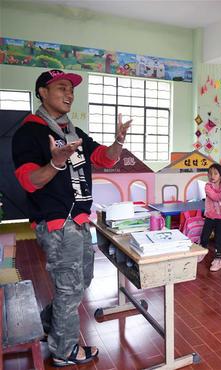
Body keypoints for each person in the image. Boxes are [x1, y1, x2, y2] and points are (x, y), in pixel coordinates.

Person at [12, 69, 132, 366]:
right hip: (56, 223)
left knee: (82, 280)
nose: (69, 94)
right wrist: (55, 162)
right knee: (69, 287)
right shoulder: (30, 131)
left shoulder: (71, 132)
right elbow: (30, 181)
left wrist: (118, 141)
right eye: (62, 88)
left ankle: (48, 324)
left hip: (78, 221)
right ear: (42, 91)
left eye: (72, 90)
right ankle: (64, 350)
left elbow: (104, 157)